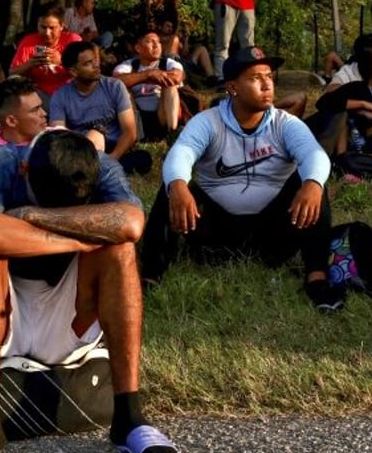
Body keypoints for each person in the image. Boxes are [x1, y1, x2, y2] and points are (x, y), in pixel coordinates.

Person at [0, 128, 181, 453]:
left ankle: (128, 414)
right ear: (24, 171)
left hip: (70, 313)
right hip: (1, 311)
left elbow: (130, 223)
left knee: (120, 250)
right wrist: (82, 239)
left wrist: (30, 216)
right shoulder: (0, 162)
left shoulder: (101, 165)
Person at [140, 46, 340, 311]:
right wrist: (178, 186)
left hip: (274, 234)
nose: (267, 84)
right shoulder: (208, 121)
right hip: (216, 234)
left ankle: (317, 277)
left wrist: (312, 184)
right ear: (232, 88)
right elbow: (181, 154)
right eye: (256, 78)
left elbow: (314, 155)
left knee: (313, 183)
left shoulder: (284, 123)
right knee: (172, 187)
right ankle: (151, 275)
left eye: (269, 76)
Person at [49, 41, 137, 160]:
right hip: (81, 151)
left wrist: (112, 159)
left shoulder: (114, 86)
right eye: (88, 63)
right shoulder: (60, 96)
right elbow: (58, 136)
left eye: (95, 60)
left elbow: (129, 132)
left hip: (114, 149)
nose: (96, 65)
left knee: (142, 159)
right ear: (73, 72)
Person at [113, 30, 184, 140]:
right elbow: (116, 81)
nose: (156, 45)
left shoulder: (169, 63)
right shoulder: (129, 65)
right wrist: (149, 75)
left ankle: (172, 133)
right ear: (138, 48)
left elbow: (177, 77)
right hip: (137, 117)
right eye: (150, 41)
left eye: (158, 42)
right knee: (123, 89)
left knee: (170, 85)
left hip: (162, 113)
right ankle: (132, 136)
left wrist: (155, 78)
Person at [10, 3, 82, 99]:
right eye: (43, 27)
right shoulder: (28, 41)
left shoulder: (72, 40)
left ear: (61, 26)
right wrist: (30, 63)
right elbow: (12, 74)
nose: (47, 33)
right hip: (39, 94)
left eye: (52, 28)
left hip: (69, 92)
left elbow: (84, 71)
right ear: (37, 25)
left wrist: (61, 61)